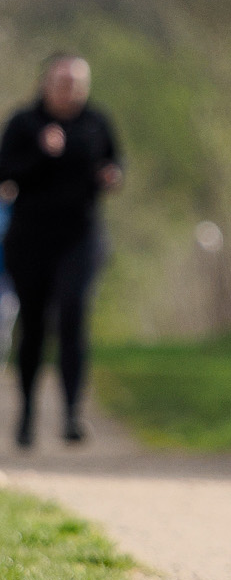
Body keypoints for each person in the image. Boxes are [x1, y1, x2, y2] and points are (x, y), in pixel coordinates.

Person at [0, 53, 123, 447]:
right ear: (46, 83)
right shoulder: (24, 123)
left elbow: (114, 162)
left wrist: (112, 175)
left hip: (80, 237)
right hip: (31, 238)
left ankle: (71, 415)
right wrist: (42, 152)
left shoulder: (95, 122)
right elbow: (6, 173)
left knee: (72, 312)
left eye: (76, 82)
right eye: (62, 80)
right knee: (34, 325)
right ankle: (27, 414)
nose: (69, 88)